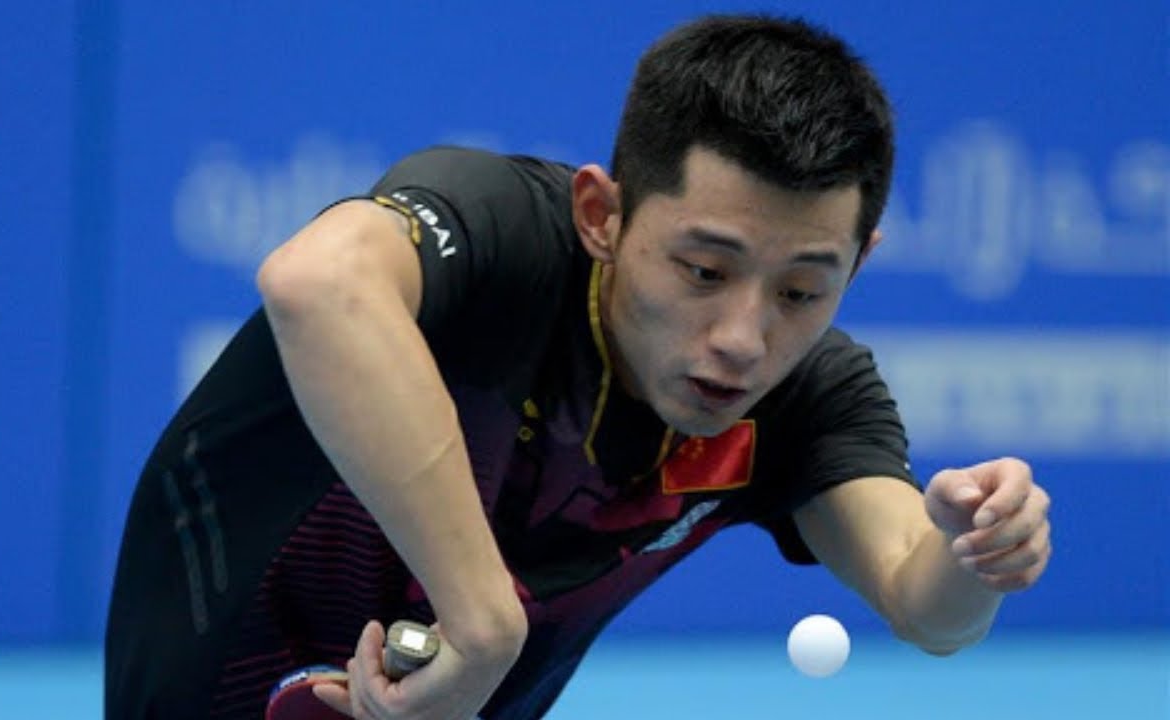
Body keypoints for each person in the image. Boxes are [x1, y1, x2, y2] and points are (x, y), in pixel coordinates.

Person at [105, 14, 1052, 720]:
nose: (743, 338)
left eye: (803, 290)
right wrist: (483, 618)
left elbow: (926, 604)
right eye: (704, 270)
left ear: (859, 263)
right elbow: (315, 282)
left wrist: (978, 551)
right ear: (602, 215)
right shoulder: (502, 233)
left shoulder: (810, 399)